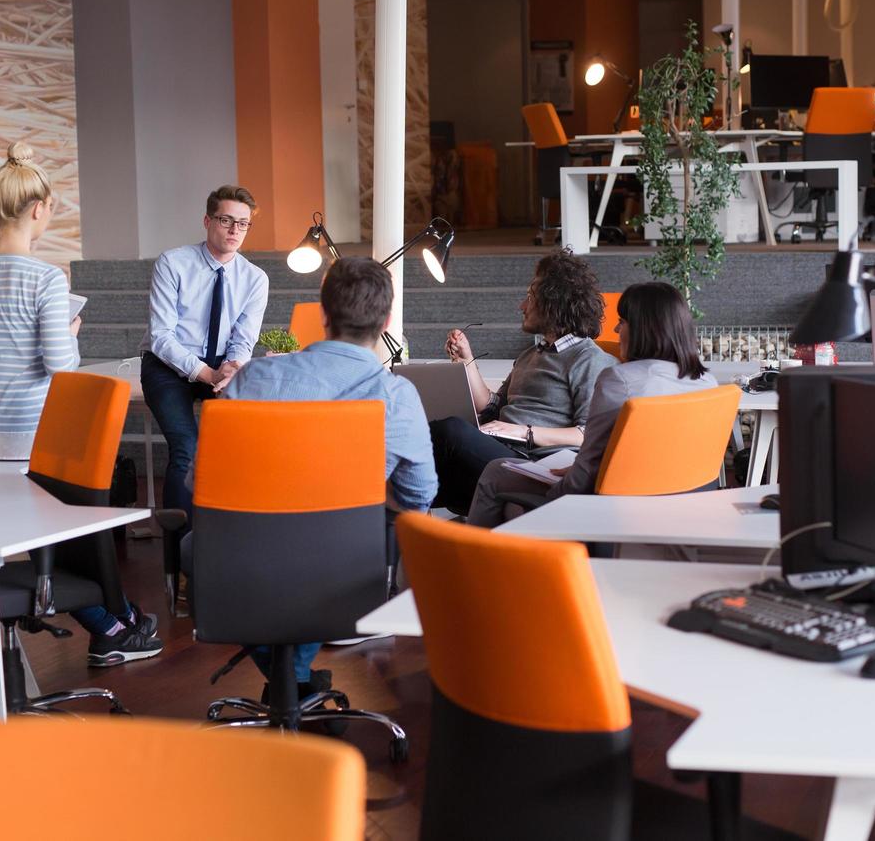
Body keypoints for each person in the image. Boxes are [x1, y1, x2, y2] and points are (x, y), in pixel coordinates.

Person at [0, 142, 161, 666]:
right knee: (80, 525)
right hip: (33, 440)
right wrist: (70, 331)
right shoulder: (47, 278)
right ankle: (112, 621)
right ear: (39, 209)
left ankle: (114, 620)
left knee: (53, 533)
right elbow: (61, 366)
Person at [183, 257, 436, 695]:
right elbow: (419, 496)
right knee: (372, 528)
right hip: (343, 572)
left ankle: (290, 681)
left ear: (322, 314)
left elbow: (195, 482)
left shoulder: (252, 379)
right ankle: (296, 681)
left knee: (192, 545)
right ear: (387, 320)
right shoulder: (394, 395)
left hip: (233, 565)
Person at [465, 281, 718, 528]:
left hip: (607, 506)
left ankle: (470, 562)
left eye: (622, 322)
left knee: (496, 471)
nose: (617, 331)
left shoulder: (619, 380)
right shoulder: (707, 384)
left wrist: (548, 501)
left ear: (645, 329)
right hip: (682, 501)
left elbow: (583, 479)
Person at [431, 250, 616, 515]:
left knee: (449, 432)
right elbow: (492, 407)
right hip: (500, 447)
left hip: (533, 458)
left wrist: (523, 431)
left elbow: (588, 434)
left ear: (553, 303)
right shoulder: (532, 354)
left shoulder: (589, 360)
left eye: (530, 298)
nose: (522, 306)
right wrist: (466, 360)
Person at [139, 185, 269, 516]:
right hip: (168, 365)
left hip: (221, 366)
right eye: (226, 220)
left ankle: (226, 532)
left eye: (243, 223)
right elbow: (161, 337)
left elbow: (244, 337)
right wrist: (207, 373)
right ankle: (177, 551)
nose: (235, 230)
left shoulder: (254, 278)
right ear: (207, 220)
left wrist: (233, 367)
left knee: (240, 446)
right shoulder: (173, 263)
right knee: (187, 447)